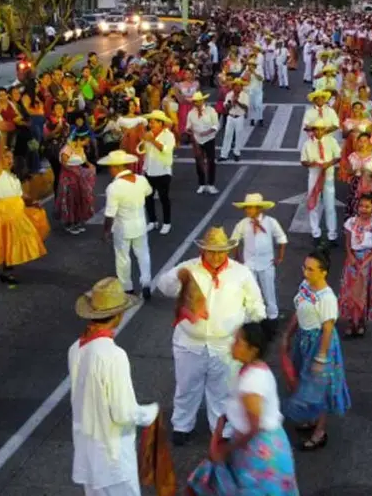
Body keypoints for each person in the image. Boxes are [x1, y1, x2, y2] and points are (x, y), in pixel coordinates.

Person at [156, 227, 266, 446]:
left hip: (226, 345)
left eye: (221, 252)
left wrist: (256, 335)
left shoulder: (241, 273)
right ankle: (182, 424)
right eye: (211, 251)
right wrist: (177, 277)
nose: (216, 256)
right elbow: (164, 286)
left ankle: (221, 428)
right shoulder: (188, 269)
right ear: (203, 250)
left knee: (223, 390)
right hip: (189, 343)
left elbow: (255, 305)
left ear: (228, 251)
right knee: (187, 386)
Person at [187, 321, 299, 495]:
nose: (232, 344)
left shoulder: (252, 383)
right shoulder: (253, 368)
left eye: (238, 341)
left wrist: (226, 449)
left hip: (260, 454)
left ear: (252, 349)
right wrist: (223, 423)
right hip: (255, 448)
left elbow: (253, 427)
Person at [69, 277, 158, 496]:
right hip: (112, 456)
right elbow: (123, 412)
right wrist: (151, 413)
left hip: (87, 452)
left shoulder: (75, 349)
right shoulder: (113, 355)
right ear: (118, 316)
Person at [281, 251, 350, 451]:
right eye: (305, 267)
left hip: (319, 342)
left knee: (319, 387)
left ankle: (320, 431)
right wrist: (288, 334)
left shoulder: (327, 298)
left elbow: (327, 329)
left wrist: (321, 357)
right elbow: (299, 310)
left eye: (311, 269)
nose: (306, 271)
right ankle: (311, 420)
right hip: (304, 339)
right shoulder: (305, 286)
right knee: (305, 381)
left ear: (324, 273)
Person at [0, 145, 50, 288]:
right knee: (8, 240)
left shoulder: (13, 176)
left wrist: (32, 202)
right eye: (6, 157)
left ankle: (7, 269)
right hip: (4, 211)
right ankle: (7, 271)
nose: (10, 160)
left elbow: (21, 194)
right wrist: (1, 132)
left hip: (17, 210)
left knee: (16, 239)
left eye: (11, 158)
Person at [98, 151, 153, 299]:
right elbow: (149, 192)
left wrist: (105, 232)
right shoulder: (141, 180)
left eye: (111, 167)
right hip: (140, 224)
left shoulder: (114, 187)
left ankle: (127, 287)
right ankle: (146, 282)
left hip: (122, 228)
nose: (110, 170)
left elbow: (110, 214)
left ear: (117, 167)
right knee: (143, 254)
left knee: (123, 258)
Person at [230, 193, 288, 323]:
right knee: (250, 292)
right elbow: (234, 240)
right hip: (249, 264)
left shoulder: (270, 222)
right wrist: (238, 258)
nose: (248, 211)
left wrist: (280, 257)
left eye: (251, 208)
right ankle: (252, 318)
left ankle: (272, 316)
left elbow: (281, 238)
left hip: (266, 263)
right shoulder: (243, 224)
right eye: (247, 208)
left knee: (269, 291)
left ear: (259, 209)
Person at [339, 194, 372, 338]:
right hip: (352, 261)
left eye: (367, 206)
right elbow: (347, 243)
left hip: (368, 263)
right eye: (361, 206)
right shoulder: (350, 223)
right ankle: (350, 321)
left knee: (364, 293)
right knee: (351, 292)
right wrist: (351, 257)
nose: (363, 209)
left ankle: (360, 321)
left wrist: (366, 261)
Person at [300, 119, 342, 248]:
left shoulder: (331, 141)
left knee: (330, 205)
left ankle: (332, 234)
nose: (318, 132)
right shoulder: (307, 144)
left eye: (321, 129)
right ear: (312, 130)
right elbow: (303, 161)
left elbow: (338, 156)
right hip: (314, 175)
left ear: (325, 130)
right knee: (314, 204)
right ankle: (315, 233)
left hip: (328, 176)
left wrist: (329, 164)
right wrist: (313, 164)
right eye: (315, 129)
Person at [142, 110, 176, 236]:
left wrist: (152, 140)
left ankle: (167, 223)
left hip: (163, 171)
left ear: (161, 124)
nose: (151, 124)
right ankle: (152, 221)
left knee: (164, 198)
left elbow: (165, 150)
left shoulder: (169, 136)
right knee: (148, 198)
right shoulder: (149, 134)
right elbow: (142, 150)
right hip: (149, 170)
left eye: (154, 122)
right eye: (150, 122)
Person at [185, 91, 219, 195]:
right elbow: (188, 127)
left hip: (209, 139)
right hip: (197, 141)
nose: (197, 104)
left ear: (203, 101)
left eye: (198, 101)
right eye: (195, 102)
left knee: (211, 161)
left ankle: (211, 184)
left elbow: (216, 125)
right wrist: (189, 131)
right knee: (199, 162)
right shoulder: (191, 113)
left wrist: (207, 132)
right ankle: (202, 184)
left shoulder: (211, 111)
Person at [219, 78, 249, 162]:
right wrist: (232, 103)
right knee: (228, 135)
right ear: (233, 87)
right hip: (231, 116)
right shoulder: (229, 94)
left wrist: (238, 102)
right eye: (237, 86)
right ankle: (224, 155)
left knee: (239, 135)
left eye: (240, 86)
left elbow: (246, 107)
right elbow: (226, 107)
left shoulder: (245, 95)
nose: (238, 88)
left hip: (239, 117)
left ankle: (237, 153)